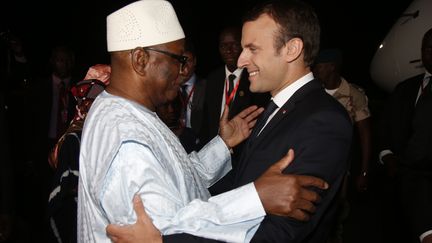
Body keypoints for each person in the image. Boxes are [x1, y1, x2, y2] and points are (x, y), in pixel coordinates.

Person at [78, 1, 328, 243]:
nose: (183, 71)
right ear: (141, 60)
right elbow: (168, 232)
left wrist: (222, 144)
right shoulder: (126, 140)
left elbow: (177, 180)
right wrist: (256, 198)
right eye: (178, 59)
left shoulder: (131, 112)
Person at [378, 27, 432, 243]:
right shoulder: (405, 89)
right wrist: (387, 154)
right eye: (429, 48)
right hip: (406, 179)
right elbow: (385, 127)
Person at [313, 49, 371, 243]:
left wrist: (363, 170)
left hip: (339, 167)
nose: (316, 69)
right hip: (312, 160)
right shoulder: (313, 91)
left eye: (320, 65)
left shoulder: (353, 94)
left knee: (337, 211)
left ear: (332, 67)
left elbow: (365, 134)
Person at [47, 64, 110, 243]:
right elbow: (66, 186)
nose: (85, 104)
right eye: (83, 99)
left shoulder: (115, 129)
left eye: (92, 98)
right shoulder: (74, 137)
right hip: (83, 218)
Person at [201, 26, 269, 167]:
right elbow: (206, 122)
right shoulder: (213, 78)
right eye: (223, 45)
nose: (228, 49)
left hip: (243, 159)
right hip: (213, 159)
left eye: (234, 44)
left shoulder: (255, 78)